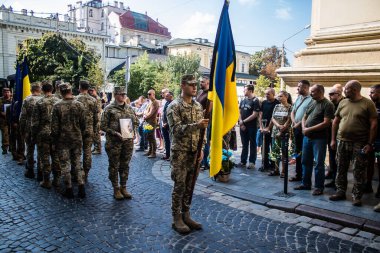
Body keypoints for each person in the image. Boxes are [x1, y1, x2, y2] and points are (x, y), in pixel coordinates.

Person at [167, 74, 209, 234]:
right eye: (191, 85)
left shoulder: (198, 106)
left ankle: (186, 214)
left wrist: (202, 149)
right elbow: (176, 130)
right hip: (180, 153)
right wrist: (196, 125)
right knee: (179, 185)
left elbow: (203, 131)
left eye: (195, 85)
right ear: (182, 85)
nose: (194, 87)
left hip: (194, 153)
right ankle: (176, 217)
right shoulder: (174, 106)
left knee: (190, 185)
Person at [330, 80, 377, 206]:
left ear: (355, 90)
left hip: (359, 143)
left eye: (346, 89)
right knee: (340, 168)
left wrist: (369, 143)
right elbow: (335, 121)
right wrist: (333, 139)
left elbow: (373, 124)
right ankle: (340, 191)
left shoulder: (368, 104)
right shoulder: (343, 102)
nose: (344, 91)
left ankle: (357, 196)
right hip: (342, 141)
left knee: (359, 170)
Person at [294, 84, 334, 196]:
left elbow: (326, 123)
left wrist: (308, 129)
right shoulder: (312, 102)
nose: (311, 94)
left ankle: (318, 187)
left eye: (313, 92)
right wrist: (303, 128)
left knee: (319, 163)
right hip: (307, 137)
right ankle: (305, 183)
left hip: (319, 138)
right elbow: (304, 116)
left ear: (321, 92)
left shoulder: (327, 104)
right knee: (305, 161)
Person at [101, 87, 138, 200]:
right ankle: (116, 188)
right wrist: (115, 133)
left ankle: (123, 187)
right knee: (114, 166)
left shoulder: (130, 108)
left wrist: (134, 130)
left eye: (124, 94)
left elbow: (135, 121)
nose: (123, 96)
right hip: (114, 143)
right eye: (121, 94)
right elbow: (102, 126)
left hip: (128, 142)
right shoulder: (109, 109)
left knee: (125, 165)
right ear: (115, 95)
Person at [51, 83, 87, 198]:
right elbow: (83, 124)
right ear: (71, 91)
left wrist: (53, 140)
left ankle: (69, 189)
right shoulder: (79, 105)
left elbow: (55, 127)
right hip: (76, 138)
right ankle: (81, 187)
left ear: (61, 92)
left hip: (62, 140)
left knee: (65, 164)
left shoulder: (57, 106)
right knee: (77, 163)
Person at [31, 81, 61, 189]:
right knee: (56, 156)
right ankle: (57, 179)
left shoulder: (39, 103)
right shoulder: (58, 101)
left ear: (43, 90)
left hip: (43, 133)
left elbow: (35, 123)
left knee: (44, 157)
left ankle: (47, 180)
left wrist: (33, 135)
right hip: (56, 133)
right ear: (52, 89)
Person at [75, 80, 99, 182]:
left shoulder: (75, 100)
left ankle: (77, 173)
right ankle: (86, 173)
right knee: (87, 152)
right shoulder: (93, 100)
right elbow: (96, 118)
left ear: (80, 87)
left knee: (76, 152)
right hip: (89, 130)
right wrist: (94, 130)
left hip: (77, 130)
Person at [290, 80, 312, 181]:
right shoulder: (298, 98)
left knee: (305, 153)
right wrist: (294, 122)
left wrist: (298, 124)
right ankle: (298, 174)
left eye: (300, 87)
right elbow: (293, 112)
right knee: (297, 152)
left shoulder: (311, 100)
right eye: (298, 86)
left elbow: (307, 115)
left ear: (306, 88)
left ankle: (305, 176)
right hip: (296, 129)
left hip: (304, 129)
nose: (297, 88)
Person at [266, 91, 291, 177]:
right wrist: (277, 126)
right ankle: (276, 170)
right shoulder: (276, 106)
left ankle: (283, 171)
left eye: (281, 96)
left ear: (286, 97)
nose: (279, 98)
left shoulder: (290, 107)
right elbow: (272, 118)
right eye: (278, 96)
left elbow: (289, 119)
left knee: (284, 152)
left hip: (284, 133)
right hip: (275, 132)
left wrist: (282, 128)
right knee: (275, 152)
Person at [20, 82, 42, 180]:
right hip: (41, 129)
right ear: (39, 89)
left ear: (31, 90)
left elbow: (23, 116)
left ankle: (30, 170)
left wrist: (22, 129)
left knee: (30, 149)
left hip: (29, 128)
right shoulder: (43, 99)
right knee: (41, 150)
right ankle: (40, 171)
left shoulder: (27, 100)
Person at [325, 86, 344, 189]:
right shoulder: (331, 104)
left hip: (340, 135)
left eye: (332, 94)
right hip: (330, 134)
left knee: (339, 160)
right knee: (332, 157)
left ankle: (338, 181)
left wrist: (331, 121)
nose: (330, 96)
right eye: (329, 94)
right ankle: (332, 176)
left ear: (339, 94)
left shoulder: (344, 103)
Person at [238, 84, 260, 169]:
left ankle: (252, 162)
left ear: (250, 91)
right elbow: (239, 112)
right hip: (242, 126)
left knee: (252, 144)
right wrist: (241, 123)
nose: (243, 91)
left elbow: (255, 114)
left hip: (252, 127)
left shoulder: (255, 100)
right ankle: (243, 161)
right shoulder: (243, 100)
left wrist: (243, 121)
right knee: (244, 144)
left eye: (245, 90)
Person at [259, 88, 280, 171]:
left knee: (273, 147)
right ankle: (265, 164)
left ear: (273, 94)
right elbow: (260, 115)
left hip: (273, 128)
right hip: (264, 128)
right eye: (265, 94)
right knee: (264, 147)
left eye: (268, 94)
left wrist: (269, 128)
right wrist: (261, 127)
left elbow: (274, 116)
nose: (266, 95)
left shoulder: (277, 103)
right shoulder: (264, 102)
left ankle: (273, 165)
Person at [367, 84, 380, 197]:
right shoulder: (371, 105)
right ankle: (368, 184)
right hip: (370, 140)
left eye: (372, 92)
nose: (370, 94)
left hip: (379, 141)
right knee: (369, 162)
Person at [196, 75, 211, 170]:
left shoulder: (210, 94)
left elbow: (208, 110)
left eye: (202, 82)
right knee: (199, 142)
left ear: (208, 83)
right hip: (198, 121)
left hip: (205, 121)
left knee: (205, 142)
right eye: (200, 82)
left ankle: (205, 163)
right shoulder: (200, 92)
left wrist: (200, 115)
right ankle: (200, 160)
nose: (200, 83)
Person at [143, 89, 159, 158]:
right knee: (148, 136)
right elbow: (145, 111)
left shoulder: (155, 102)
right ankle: (150, 151)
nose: (148, 95)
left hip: (152, 122)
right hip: (147, 122)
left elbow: (151, 113)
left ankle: (154, 153)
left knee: (152, 137)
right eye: (148, 94)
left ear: (153, 94)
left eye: (150, 94)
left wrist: (145, 116)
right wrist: (143, 114)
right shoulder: (150, 102)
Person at [89, 86, 103, 155]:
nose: (91, 92)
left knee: (97, 134)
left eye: (92, 90)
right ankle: (95, 147)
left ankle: (98, 149)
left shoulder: (97, 98)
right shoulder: (94, 98)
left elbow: (97, 109)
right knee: (94, 134)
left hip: (97, 118)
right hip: (94, 118)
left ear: (95, 91)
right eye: (90, 91)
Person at [161, 91, 174, 160]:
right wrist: (163, 122)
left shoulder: (173, 104)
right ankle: (167, 154)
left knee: (171, 141)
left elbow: (173, 116)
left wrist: (167, 123)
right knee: (166, 141)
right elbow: (164, 113)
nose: (165, 97)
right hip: (164, 125)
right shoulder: (166, 103)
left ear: (171, 96)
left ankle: (171, 156)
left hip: (170, 126)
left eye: (167, 96)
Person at [0, 88, 12, 154]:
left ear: (10, 92)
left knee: (12, 134)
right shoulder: (0, 100)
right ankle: (4, 148)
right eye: (5, 92)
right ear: (3, 93)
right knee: (5, 134)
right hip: (3, 120)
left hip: (12, 120)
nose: (6, 93)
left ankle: (11, 147)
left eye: (8, 92)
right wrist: (1, 113)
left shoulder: (13, 99)